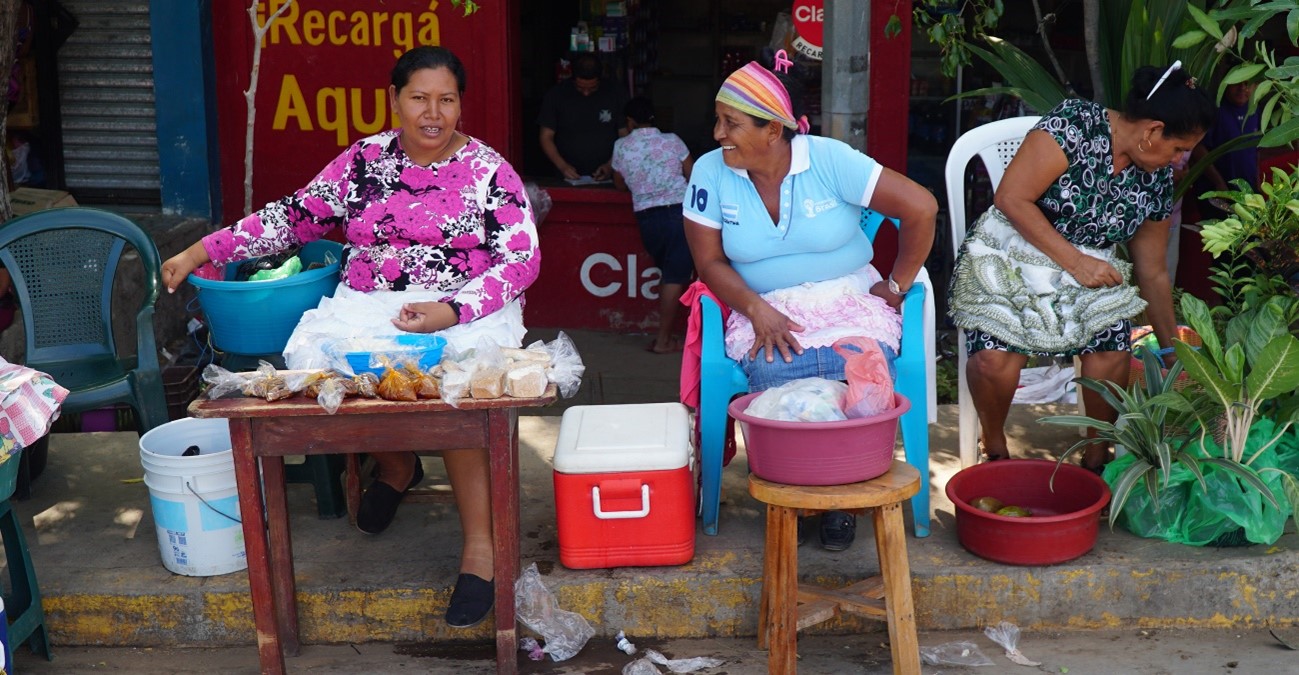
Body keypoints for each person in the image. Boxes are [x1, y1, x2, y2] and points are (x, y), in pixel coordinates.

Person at [160, 46, 540, 629]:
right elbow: (292, 217)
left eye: (446, 99)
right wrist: (200, 250)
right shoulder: (364, 161)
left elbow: (521, 260)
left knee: (458, 396)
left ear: (461, 104)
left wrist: (451, 309)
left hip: (460, 309)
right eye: (419, 98)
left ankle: (480, 550)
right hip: (369, 308)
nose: (433, 113)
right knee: (336, 383)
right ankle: (395, 467)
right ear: (395, 101)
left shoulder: (490, 170)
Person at [683, 51, 937, 552]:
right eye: (718, 121)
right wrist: (755, 309)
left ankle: (842, 496)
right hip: (761, 303)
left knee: (860, 373)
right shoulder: (710, 173)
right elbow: (710, 263)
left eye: (731, 123)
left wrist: (897, 285)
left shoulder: (828, 159)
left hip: (846, 297)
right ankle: (796, 490)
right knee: (776, 376)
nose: (718, 134)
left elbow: (921, 207)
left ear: (773, 130)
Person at [948, 63, 1214, 473]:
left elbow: (1153, 270)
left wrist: (1168, 347)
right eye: (1179, 148)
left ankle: (1095, 459)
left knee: (1110, 349)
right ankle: (995, 445)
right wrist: (1076, 262)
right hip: (1014, 251)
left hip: (1091, 266)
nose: (1181, 161)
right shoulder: (1075, 124)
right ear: (1151, 131)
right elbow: (1012, 199)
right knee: (994, 359)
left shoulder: (1156, 179)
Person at [611, 96, 695, 354]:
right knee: (675, 277)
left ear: (629, 121)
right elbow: (692, 175)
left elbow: (619, 184)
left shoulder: (621, 146)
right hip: (679, 213)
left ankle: (669, 337)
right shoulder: (672, 141)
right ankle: (664, 341)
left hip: (647, 219)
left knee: (671, 275)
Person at [538, 53, 627, 181]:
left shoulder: (616, 94)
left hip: (608, 174)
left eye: (592, 88)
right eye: (580, 88)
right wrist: (562, 166)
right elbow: (546, 136)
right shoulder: (556, 95)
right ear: (573, 79)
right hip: (566, 175)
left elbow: (625, 136)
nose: (586, 93)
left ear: (600, 80)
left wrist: (611, 165)